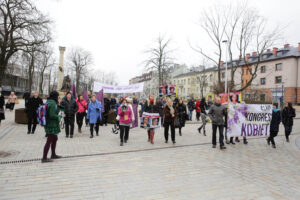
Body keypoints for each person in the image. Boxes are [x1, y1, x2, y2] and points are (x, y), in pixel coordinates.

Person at [42, 91, 63, 163]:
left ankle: (53, 154)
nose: (58, 97)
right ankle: (44, 158)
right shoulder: (53, 103)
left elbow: (54, 111)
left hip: (50, 123)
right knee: (49, 140)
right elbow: (52, 115)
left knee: (55, 138)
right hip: (52, 125)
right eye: (58, 96)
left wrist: (59, 104)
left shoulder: (49, 101)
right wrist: (60, 116)